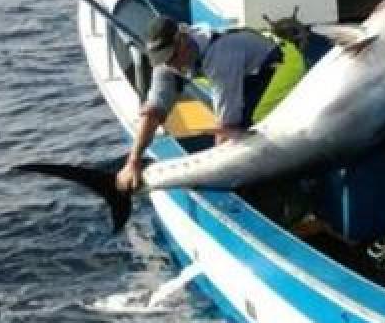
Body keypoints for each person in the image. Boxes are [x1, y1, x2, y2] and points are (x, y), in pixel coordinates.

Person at [115, 16, 305, 192]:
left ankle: (290, 181)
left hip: (281, 63)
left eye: (172, 57)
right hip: (246, 64)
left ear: (182, 40)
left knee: (251, 129)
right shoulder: (167, 64)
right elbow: (153, 111)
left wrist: (217, 174)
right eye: (163, 60)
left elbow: (227, 127)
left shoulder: (220, 57)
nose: (171, 65)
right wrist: (133, 161)